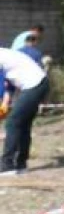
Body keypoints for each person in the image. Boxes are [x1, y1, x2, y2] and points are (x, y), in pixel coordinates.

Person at [0, 47, 49, 176]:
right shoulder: (6, 55)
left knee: (12, 122)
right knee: (23, 125)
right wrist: (5, 101)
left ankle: (7, 165)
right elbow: (8, 83)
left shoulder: (2, 55)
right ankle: (21, 164)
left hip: (35, 85)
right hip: (39, 84)